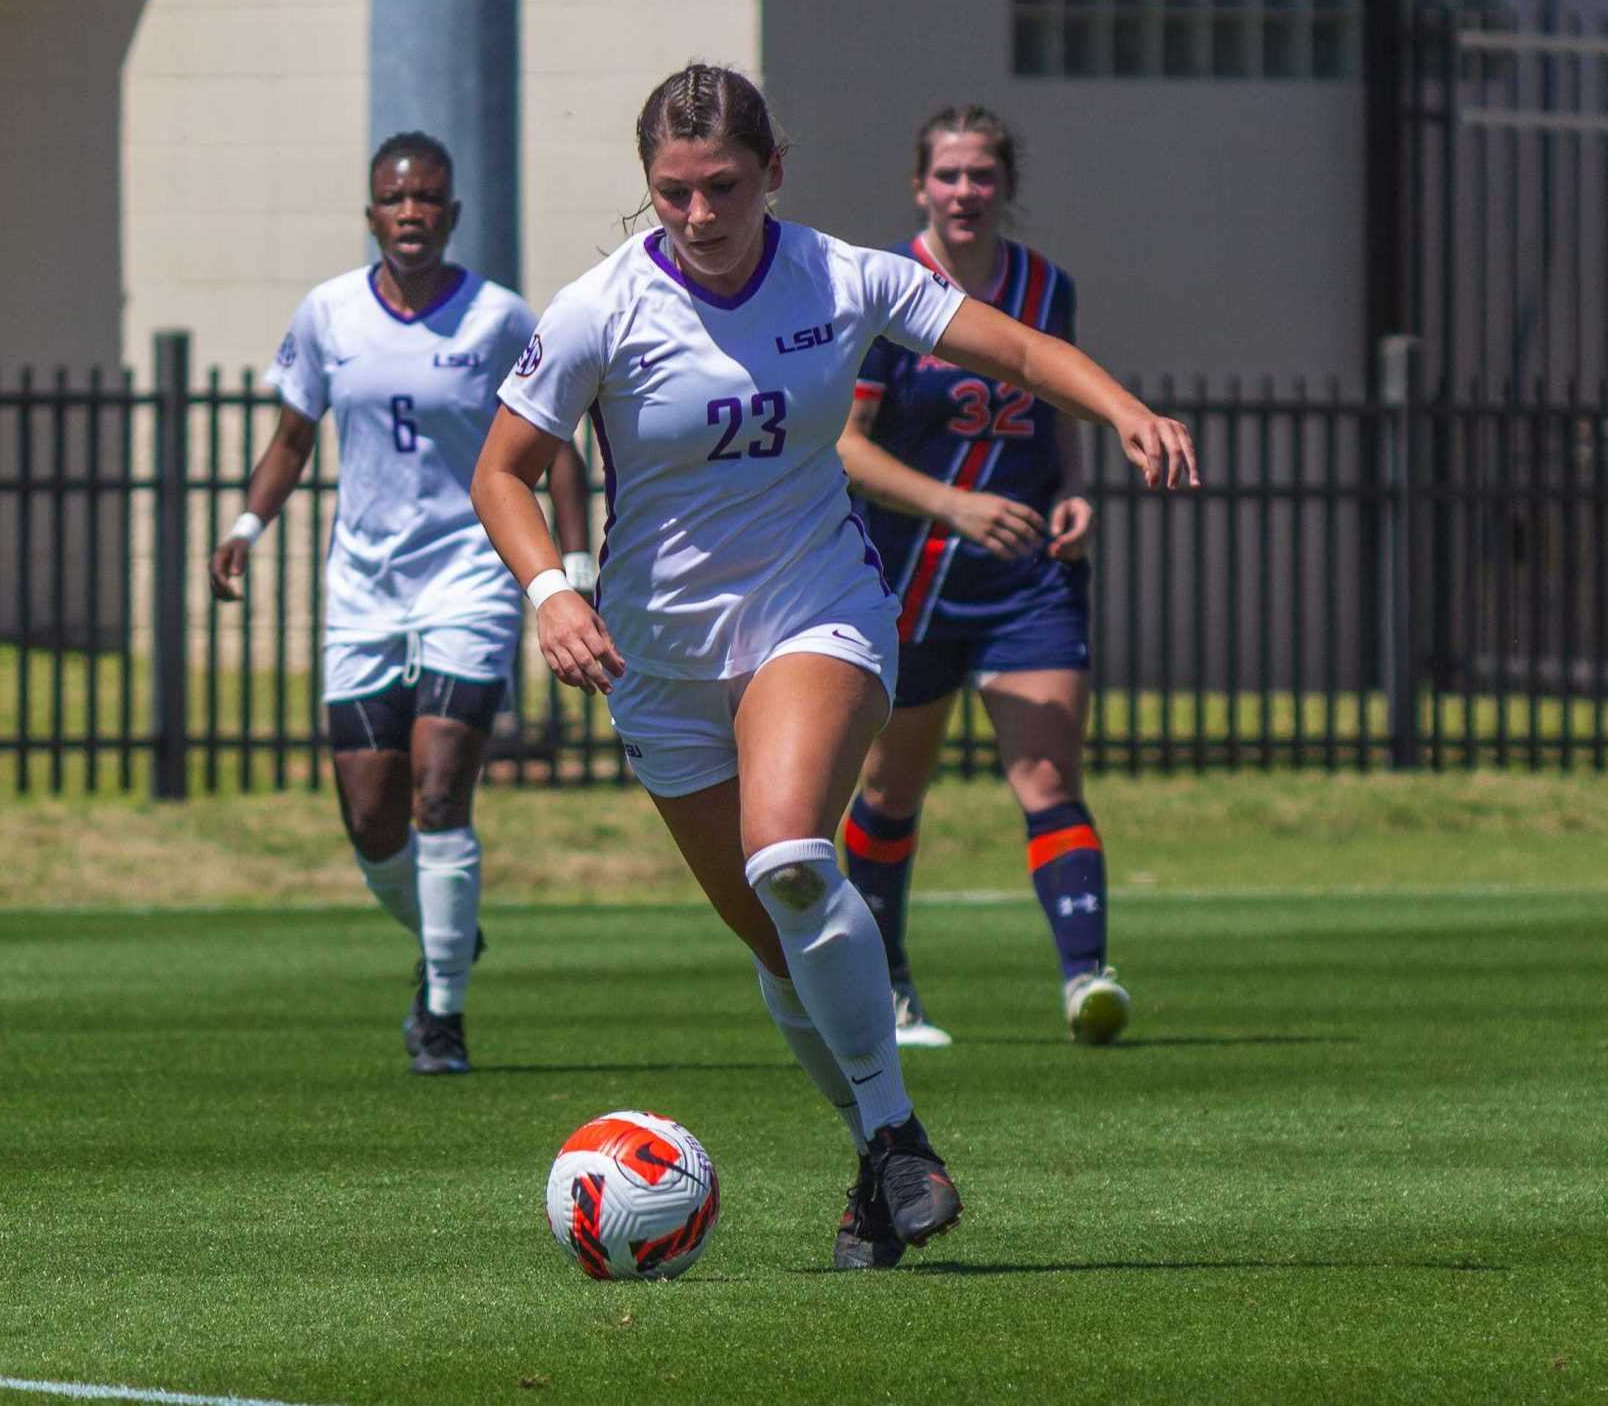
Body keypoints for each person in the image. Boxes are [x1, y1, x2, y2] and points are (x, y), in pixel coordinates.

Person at [471, 65, 1195, 1268]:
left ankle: (897, 1138)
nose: (698, 217)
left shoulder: (839, 274)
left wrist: (1120, 409)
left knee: (795, 860)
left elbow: (1012, 346)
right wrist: (551, 591)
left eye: (723, 188)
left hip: (817, 610)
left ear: (774, 172)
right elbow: (503, 470)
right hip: (657, 662)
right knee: (776, 945)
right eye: (672, 194)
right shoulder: (600, 307)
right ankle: (879, 1158)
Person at [210, 131, 593, 1077]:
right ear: (373, 213)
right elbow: (293, 438)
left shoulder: (502, 319)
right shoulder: (329, 314)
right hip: (365, 586)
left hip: (471, 572)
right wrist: (248, 528)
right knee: (373, 817)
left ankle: (443, 1011)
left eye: (428, 198)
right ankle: (448, 930)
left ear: (453, 214)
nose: (412, 212)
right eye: (395, 198)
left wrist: (574, 566)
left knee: (437, 788)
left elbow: (559, 447)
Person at [837, 106, 1126, 1050]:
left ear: (1007, 184)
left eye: (983, 174)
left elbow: (1057, 408)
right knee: (890, 787)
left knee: (1047, 770)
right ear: (921, 185)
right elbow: (844, 447)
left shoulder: (1046, 287)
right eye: (949, 175)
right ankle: (889, 990)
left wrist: (1076, 494)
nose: (966, 192)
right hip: (913, 573)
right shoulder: (883, 288)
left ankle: (1088, 976)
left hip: (1027, 575)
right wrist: (952, 504)